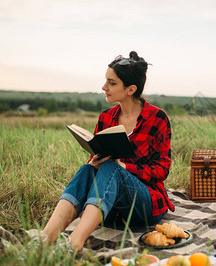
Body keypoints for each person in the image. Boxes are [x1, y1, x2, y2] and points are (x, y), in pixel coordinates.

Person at [41, 51, 174, 252]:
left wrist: (125, 167)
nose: (104, 87)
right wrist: (93, 162)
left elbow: (162, 170)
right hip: (110, 206)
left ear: (131, 89)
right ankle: (44, 240)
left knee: (113, 167)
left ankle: (73, 245)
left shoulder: (157, 118)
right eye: (106, 81)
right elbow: (99, 154)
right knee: (87, 170)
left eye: (112, 83)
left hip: (145, 204)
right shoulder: (106, 117)